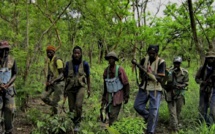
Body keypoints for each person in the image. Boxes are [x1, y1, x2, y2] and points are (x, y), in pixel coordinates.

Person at [133, 45, 166, 134]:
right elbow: (140, 71)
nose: (151, 55)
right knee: (137, 106)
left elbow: (161, 78)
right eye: (150, 53)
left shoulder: (161, 62)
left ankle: (150, 131)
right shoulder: (144, 60)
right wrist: (143, 76)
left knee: (154, 111)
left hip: (155, 88)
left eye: (153, 53)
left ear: (157, 53)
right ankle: (148, 116)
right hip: (144, 87)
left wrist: (151, 74)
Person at [64, 46, 91, 131]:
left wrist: (89, 88)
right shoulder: (68, 64)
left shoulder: (85, 64)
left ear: (81, 54)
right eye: (75, 53)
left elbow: (88, 76)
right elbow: (65, 77)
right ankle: (73, 122)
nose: (76, 55)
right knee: (71, 107)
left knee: (78, 105)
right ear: (73, 54)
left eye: (78, 53)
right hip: (70, 88)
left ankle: (78, 122)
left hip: (81, 87)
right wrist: (64, 90)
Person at [101, 51, 130, 126]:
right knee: (109, 112)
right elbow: (105, 85)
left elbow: (126, 83)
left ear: (115, 60)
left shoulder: (120, 70)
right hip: (109, 95)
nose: (110, 60)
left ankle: (112, 128)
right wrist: (104, 97)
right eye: (109, 59)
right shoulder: (106, 71)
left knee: (113, 115)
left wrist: (127, 95)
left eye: (112, 59)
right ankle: (111, 127)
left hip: (118, 95)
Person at [164, 56, 189, 133]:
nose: (176, 65)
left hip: (180, 94)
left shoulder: (185, 72)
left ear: (180, 63)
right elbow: (164, 82)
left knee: (177, 112)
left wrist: (180, 86)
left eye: (178, 63)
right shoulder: (169, 72)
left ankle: (172, 126)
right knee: (173, 113)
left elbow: (186, 83)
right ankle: (175, 130)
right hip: (170, 94)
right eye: (175, 63)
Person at [41, 45, 65, 115]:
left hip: (59, 83)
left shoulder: (58, 60)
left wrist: (54, 81)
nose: (49, 54)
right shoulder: (49, 61)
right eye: (47, 52)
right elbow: (49, 73)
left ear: (54, 52)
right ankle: (56, 106)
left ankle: (56, 115)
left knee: (56, 101)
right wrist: (47, 84)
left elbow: (62, 74)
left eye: (50, 52)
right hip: (53, 83)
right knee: (43, 96)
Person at [0, 41, 17, 134]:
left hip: (9, 89)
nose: (5, 51)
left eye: (7, 49)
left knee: (10, 110)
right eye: (3, 49)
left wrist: (8, 84)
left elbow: (15, 74)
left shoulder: (12, 59)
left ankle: (8, 130)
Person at [195, 50, 215, 125]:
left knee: (213, 110)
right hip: (204, 91)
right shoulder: (202, 68)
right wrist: (202, 82)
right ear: (206, 59)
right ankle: (202, 125)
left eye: (212, 58)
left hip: (213, 91)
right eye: (209, 58)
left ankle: (210, 125)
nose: (211, 60)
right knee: (202, 109)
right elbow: (197, 79)